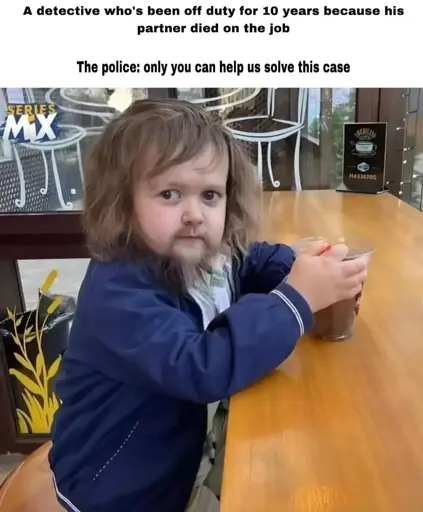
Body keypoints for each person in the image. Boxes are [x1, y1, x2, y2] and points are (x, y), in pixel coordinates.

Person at [48, 99, 367, 512]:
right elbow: (201, 367)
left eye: (210, 195)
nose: (194, 214)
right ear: (121, 203)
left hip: (178, 455)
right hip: (116, 490)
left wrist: (307, 271)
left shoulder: (203, 255)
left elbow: (252, 260)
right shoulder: (119, 293)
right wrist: (296, 299)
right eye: (170, 194)